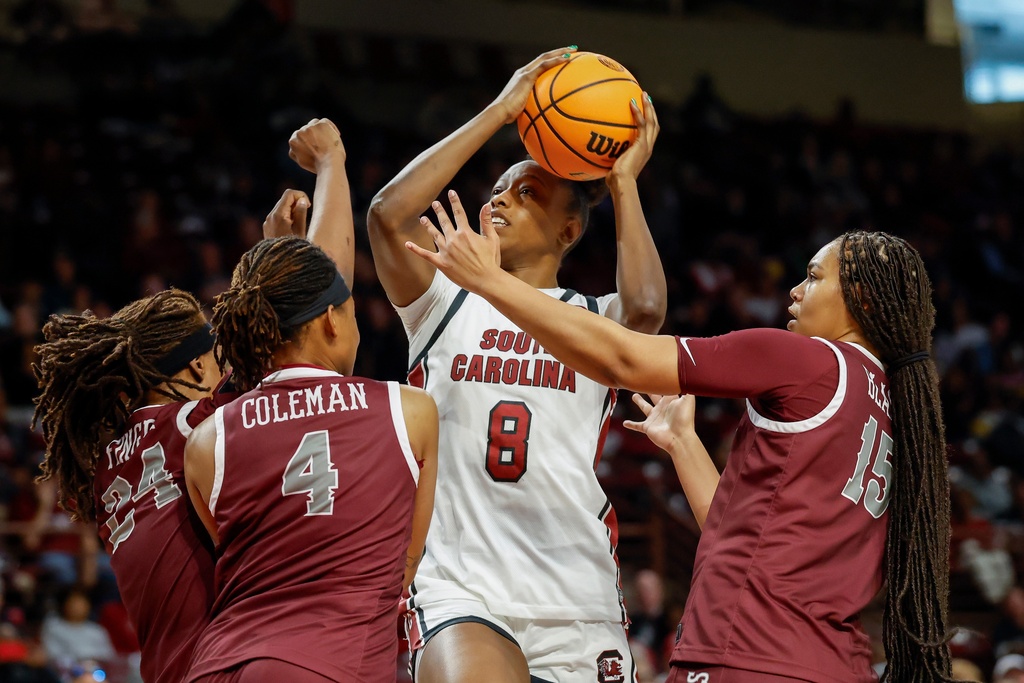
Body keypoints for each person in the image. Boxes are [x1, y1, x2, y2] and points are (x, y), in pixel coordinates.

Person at [409, 200, 956, 682]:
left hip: (748, 655)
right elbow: (746, 532)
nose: (794, 290)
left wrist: (488, 281)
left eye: (813, 277)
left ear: (858, 294)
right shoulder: (894, 407)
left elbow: (623, 357)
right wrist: (684, 444)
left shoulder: (809, 362)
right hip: (833, 663)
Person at [367, 47, 666, 682]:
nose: (499, 201)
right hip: (461, 583)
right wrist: (498, 112)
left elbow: (645, 309)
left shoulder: (592, 316)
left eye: (526, 193)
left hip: (575, 590)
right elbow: (388, 218)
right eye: (497, 190)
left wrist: (624, 183)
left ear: (568, 232)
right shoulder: (444, 298)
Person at [31, 117, 352, 683]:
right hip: (228, 666)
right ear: (197, 366)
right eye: (214, 352)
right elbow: (317, 308)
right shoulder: (195, 426)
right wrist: (331, 169)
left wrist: (271, 248)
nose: (226, 361)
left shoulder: (105, 462)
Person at [182, 233, 438, 683]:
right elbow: (405, 565)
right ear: (332, 321)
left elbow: (231, 551)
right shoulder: (409, 410)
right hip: (325, 660)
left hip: (215, 663)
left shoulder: (206, 440)